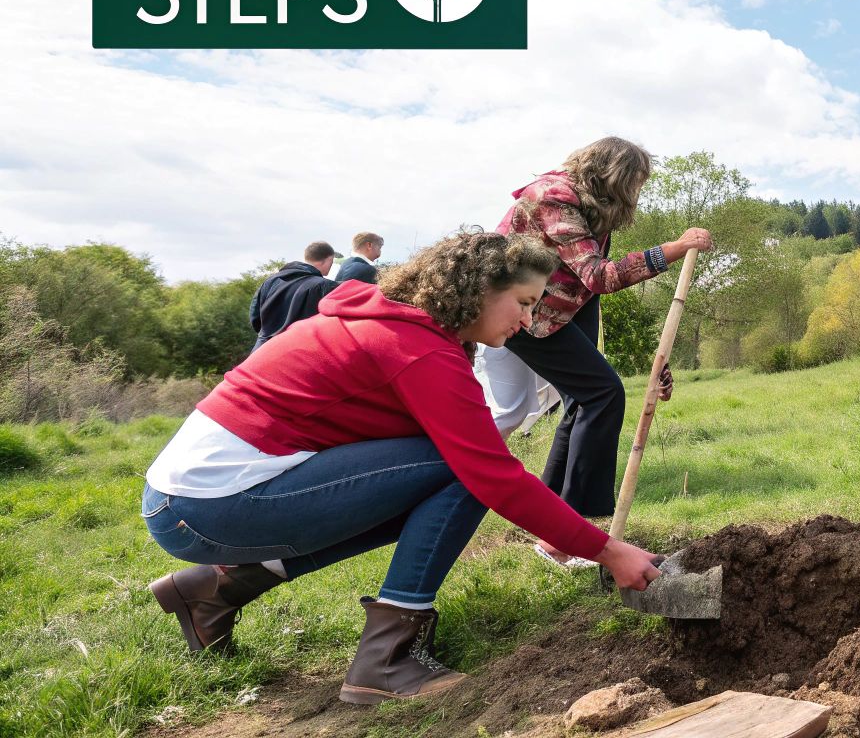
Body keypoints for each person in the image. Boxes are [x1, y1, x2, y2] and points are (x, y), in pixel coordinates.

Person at [141, 231, 664, 704]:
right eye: (524, 303)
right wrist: (609, 551)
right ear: (477, 290)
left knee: (437, 475)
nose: (528, 321)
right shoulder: (417, 349)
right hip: (210, 505)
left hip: (191, 498)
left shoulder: (391, 319)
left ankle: (215, 591)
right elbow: (493, 474)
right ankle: (386, 661)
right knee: (461, 469)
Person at [498, 137, 713, 517]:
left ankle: (551, 512)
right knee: (603, 394)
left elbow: (584, 283)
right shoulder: (554, 198)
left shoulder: (589, 203)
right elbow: (598, 275)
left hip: (566, 300)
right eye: (635, 183)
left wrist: (657, 360)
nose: (638, 192)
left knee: (585, 397)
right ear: (614, 176)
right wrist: (674, 248)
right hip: (523, 309)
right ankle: (576, 519)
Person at [248, 241, 342, 350]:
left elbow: (255, 318)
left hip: (262, 353)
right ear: (330, 260)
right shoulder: (325, 286)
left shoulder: (270, 281)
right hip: (298, 353)